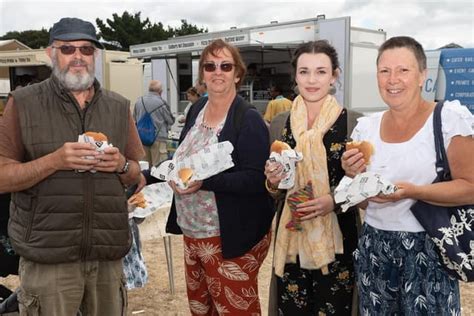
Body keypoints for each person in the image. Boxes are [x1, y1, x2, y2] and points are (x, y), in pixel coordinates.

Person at [0, 17, 144, 315]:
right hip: (49, 258)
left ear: (96, 56)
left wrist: (120, 166)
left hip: (107, 255)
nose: (78, 56)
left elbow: (136, 172)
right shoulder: (23, 102)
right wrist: (55, 161)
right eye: (67, 48)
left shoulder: (118, 106)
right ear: (50, 54)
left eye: (86, 49)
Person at [342, 36, 474, 315]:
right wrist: (355, 178)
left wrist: (413, 191)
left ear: (422, 75)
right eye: (384, 71)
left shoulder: (448, 118)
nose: (393, 79)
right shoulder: (365, 128)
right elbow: (364, 204)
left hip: (430, 248)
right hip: (374, 248)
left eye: (403, 70)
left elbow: (470, 187)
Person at [166, 39, 274, 315]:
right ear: (202, 73)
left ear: (237, 73)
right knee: (202, 310)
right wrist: (169, 174)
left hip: (229, 238)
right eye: (210, 66)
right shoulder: (195, 111)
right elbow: (183, 159)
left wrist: (206, 181)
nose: (217, 72)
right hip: (192, 234)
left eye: (225, 66)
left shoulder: (247, 119)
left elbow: (255, 179)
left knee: (235, 310)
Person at [265, 40, 359, 315]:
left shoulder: (353, 122)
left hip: (338, 238)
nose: (312, 79)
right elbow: (275, 190)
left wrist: (333, 201)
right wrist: (272, 180)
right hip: (291, 235)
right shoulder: (281, 123)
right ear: (295, 76)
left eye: (321, 71)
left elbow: (364, 185)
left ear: (334, 75)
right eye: (304, 71)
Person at [134, 79, 175, 167]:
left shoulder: (139, 101)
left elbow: (135, 119)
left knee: (145, 166)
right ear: (160, 91)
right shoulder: (161, 103)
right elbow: (171, 121)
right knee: (159, 167)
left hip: (142, 138)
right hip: (158, 138)